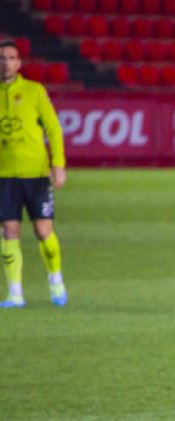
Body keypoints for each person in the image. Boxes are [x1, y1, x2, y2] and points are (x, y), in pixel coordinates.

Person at [0, 39, 67, 308]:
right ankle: (15, 292)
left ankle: (55, 278)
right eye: (2, 58)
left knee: (42, 230)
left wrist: (58, 164)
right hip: (4, 175)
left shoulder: (34, 91)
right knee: (9, 230)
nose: (5, 62)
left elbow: (53, 128)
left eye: (11, 58)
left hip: (36, 173)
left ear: (19, 62)